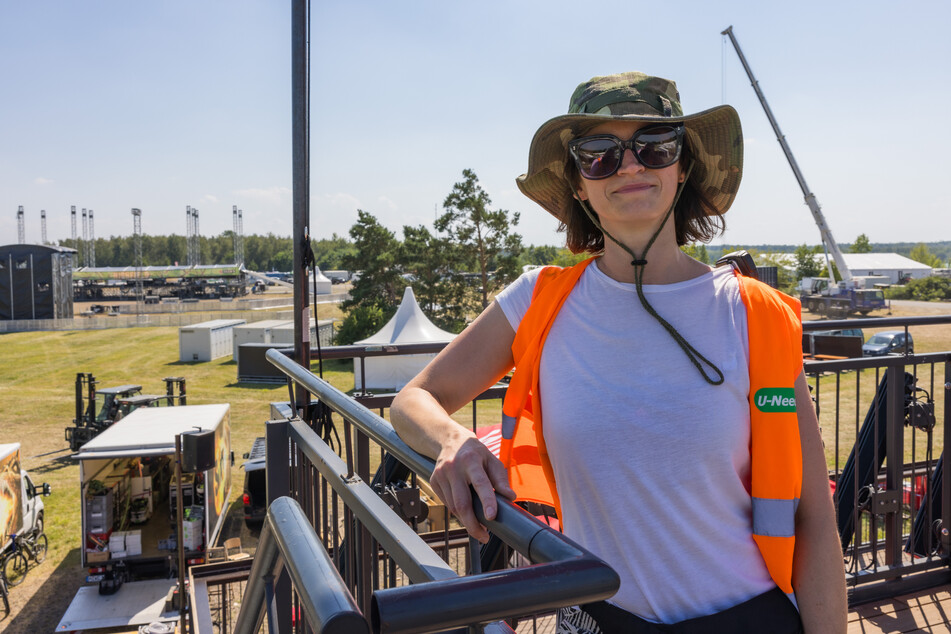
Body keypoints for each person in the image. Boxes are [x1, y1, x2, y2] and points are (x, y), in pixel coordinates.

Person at [390, 71, 847, 633]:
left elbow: (812, 516)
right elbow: (415, 399)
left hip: (747, 618)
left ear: (683, 169)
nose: (630, 165)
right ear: (580, 185)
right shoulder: (538, 301)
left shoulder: (756, 315)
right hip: (600, 617)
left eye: (655, 146)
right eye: (599, 154)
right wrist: (453, 441)